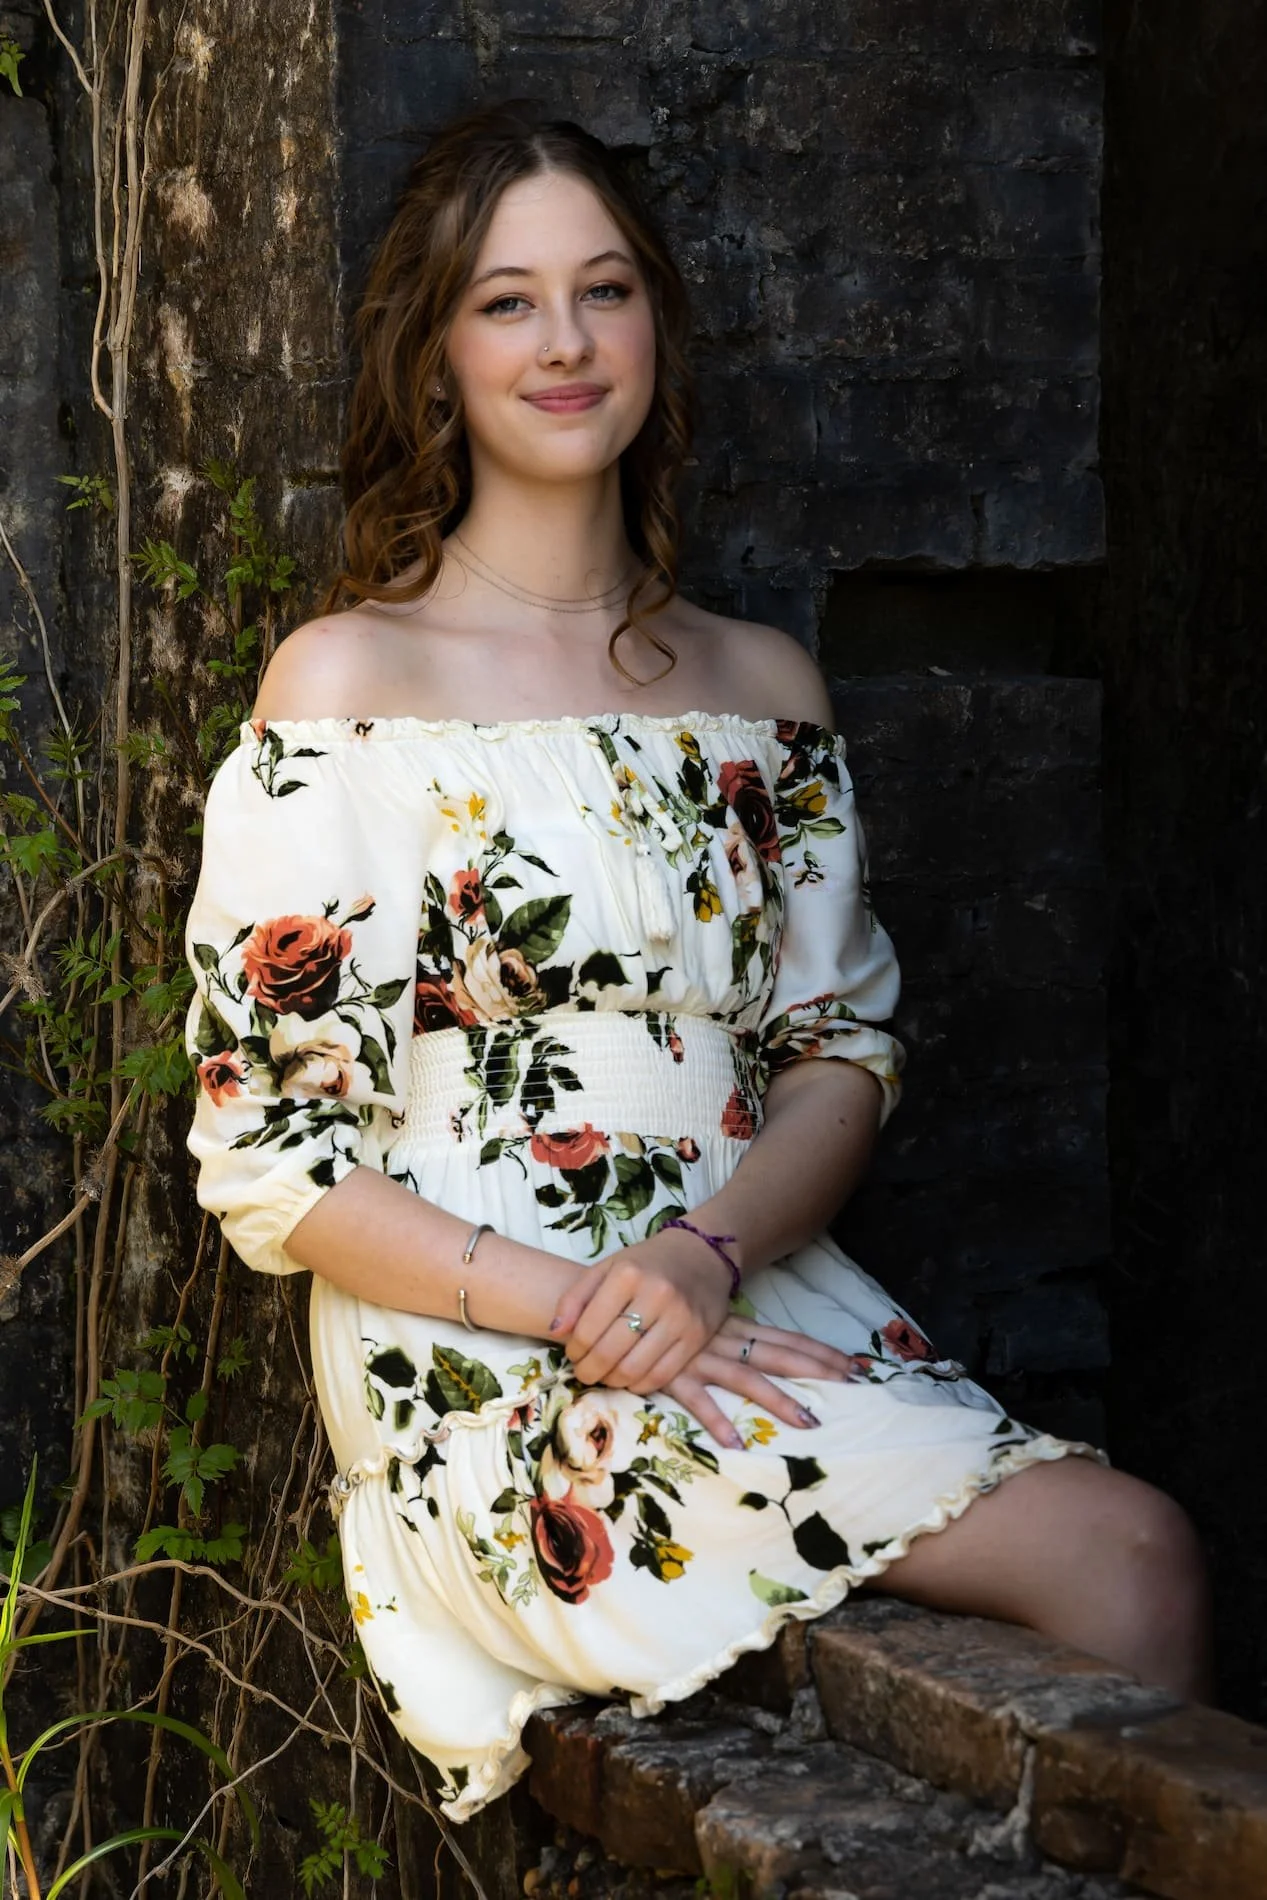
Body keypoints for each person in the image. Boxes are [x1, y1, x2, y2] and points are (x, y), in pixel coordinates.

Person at [182, 100, 1212, 1820]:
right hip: (487, 1356)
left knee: (1130, 1558)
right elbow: (276, 1166)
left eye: (603, 291)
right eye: (506, 302)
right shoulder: (350, 685)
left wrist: (700, 1257)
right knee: (1124, 1552)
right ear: (435, 352)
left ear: (658, 319)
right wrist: (596, 1307)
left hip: (743, 1286)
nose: (566, 343)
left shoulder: (762, 687)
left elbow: (840, 1054)